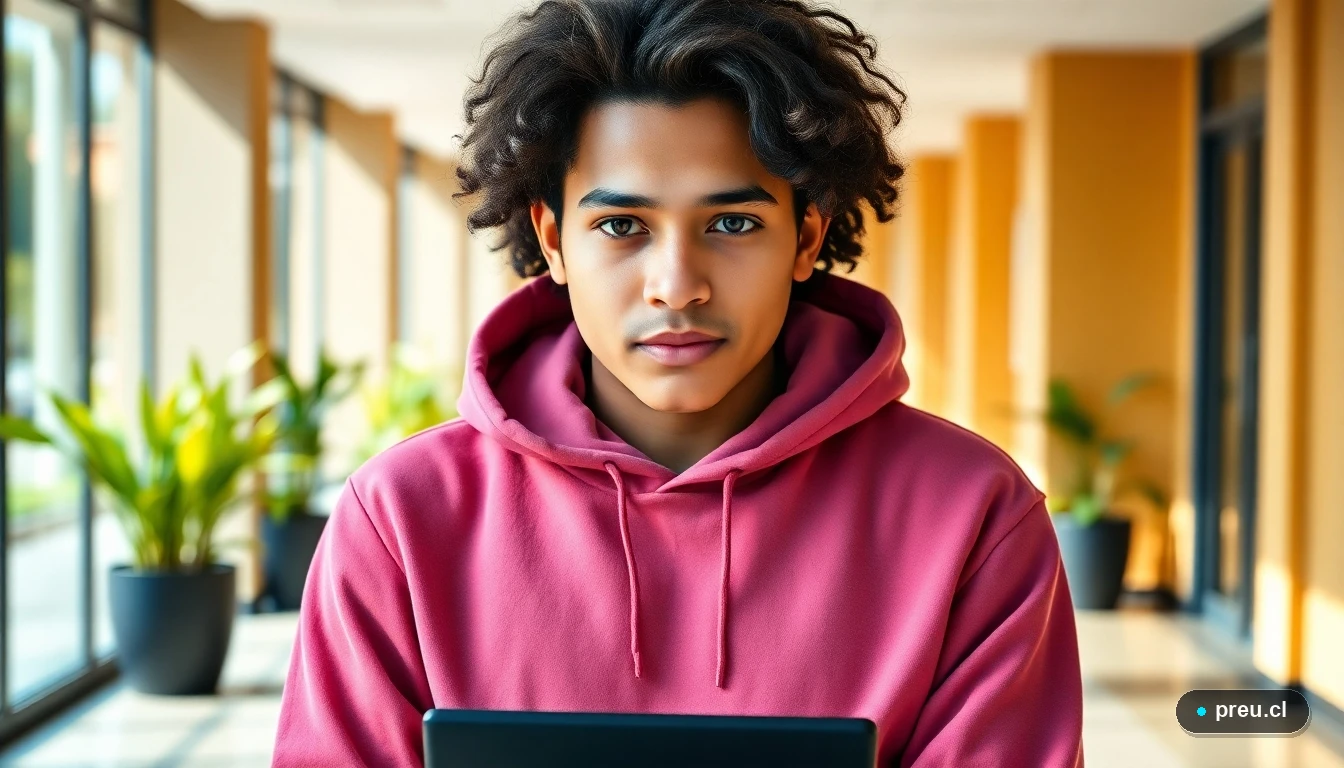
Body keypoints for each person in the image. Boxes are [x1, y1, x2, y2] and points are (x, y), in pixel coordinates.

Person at [272, 0, 1084, 765]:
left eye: (732, 223)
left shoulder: (975, 516)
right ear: (553, 241)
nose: (677, 284)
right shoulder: (400, 521)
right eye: (621, 226)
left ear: (806, 237)